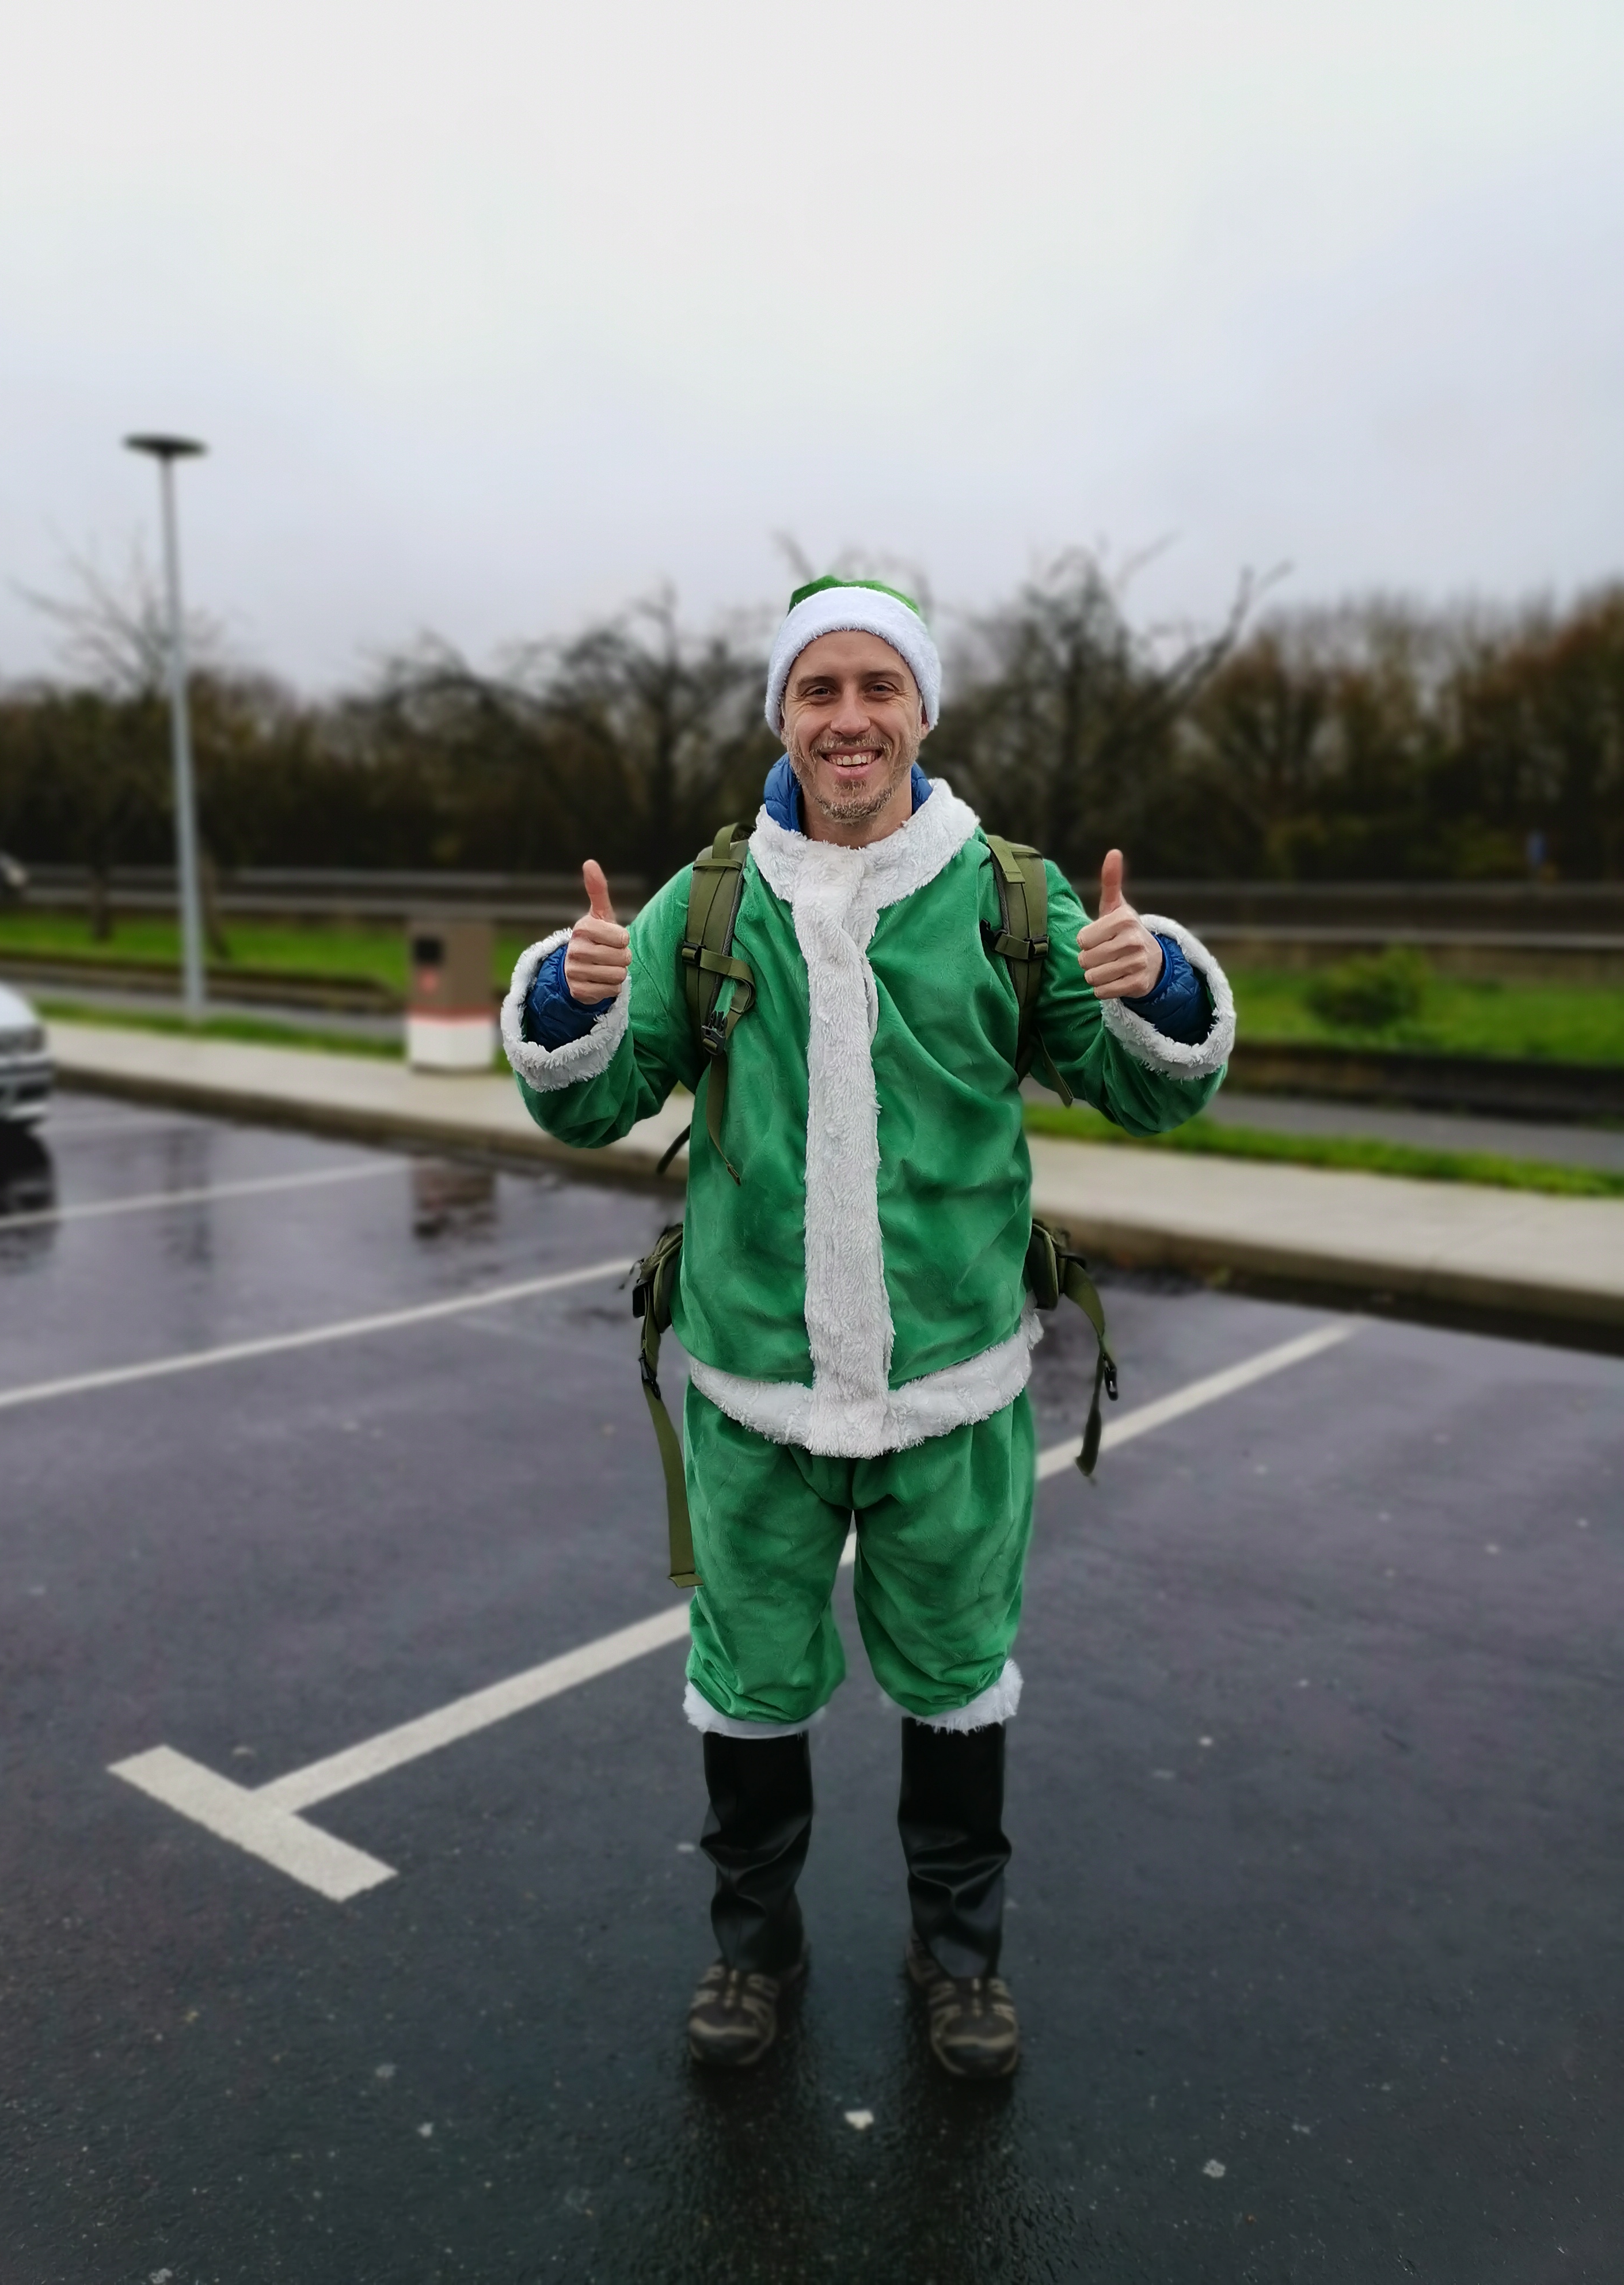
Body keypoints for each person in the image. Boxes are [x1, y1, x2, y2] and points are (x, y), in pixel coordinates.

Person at [503, 577, 1234, 2078]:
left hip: (953, 1395)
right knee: (750, 1685)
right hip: (754, 1393)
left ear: (924, 711)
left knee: (962, 1685)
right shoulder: (707, 905)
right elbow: (590, 1097)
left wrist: (1154, 980)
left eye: (877, 688)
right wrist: (568, 1007)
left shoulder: (1008, 899)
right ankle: (752, 1954)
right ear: (781, 714)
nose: (848, 719)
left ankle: (958, 1962)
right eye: (818, 689)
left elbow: (1158, 1084)